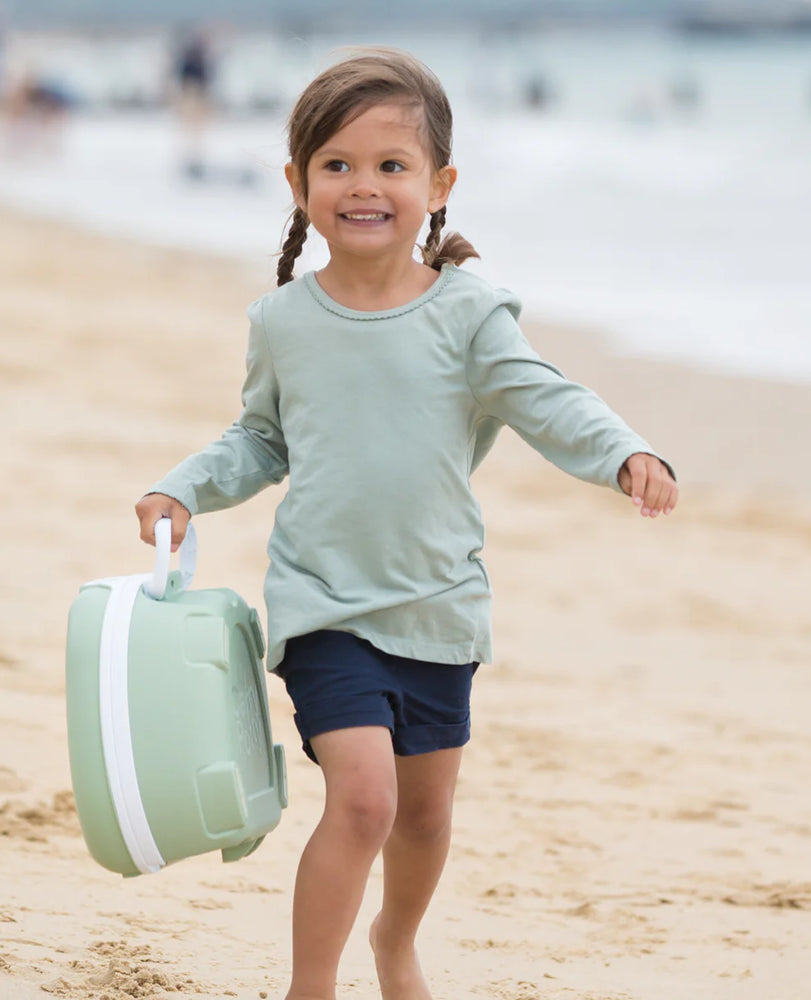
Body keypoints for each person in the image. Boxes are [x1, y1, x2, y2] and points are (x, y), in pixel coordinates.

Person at [135, 47, 677, 1000]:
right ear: (299, 183)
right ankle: (313, 988)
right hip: (323, 603)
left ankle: (396, 941)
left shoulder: (469, 315)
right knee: (365, 800)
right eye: (336, 165)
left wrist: (624, 452)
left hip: (437, 602)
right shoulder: (284, 321)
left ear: (439, 184)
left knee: (423, 819)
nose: (364, 186)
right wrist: (185, 488)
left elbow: (546, 399)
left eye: (392, 166)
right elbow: (260, 438)